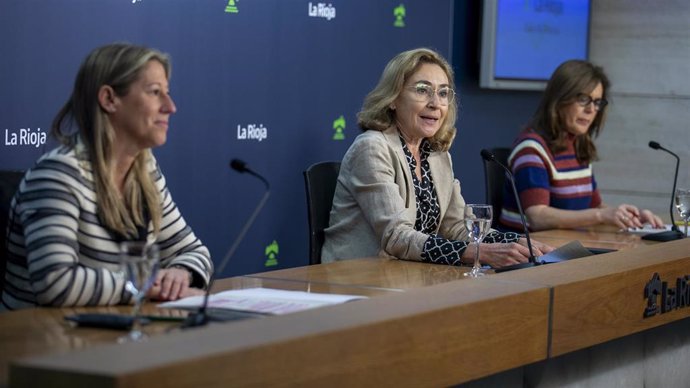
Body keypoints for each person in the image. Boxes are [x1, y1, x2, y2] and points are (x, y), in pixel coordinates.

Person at [1, 43, 213, 311]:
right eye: (155, 93)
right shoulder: (58, 174)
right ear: (109, 99)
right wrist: (145, 285)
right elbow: (56, 283)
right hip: (43, 344)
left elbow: (193, 252)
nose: (170, 107)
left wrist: (180, 274)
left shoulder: (145, 170)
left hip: (110, 336)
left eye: (167, 93)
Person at [321, 48, 552, 268]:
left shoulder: (437, 155)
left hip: (408, 275)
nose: (435, 103)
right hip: (357, 278)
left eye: (443, 93)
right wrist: (478, 253)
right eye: (422, 90)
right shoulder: (372, 148)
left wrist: (517, 243)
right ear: (393, 98)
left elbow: (458, 227)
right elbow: (396, 237)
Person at [498, 60, 664, 232]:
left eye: (597, 102)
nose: (591, 109)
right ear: (559, 100)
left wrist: (631, 218)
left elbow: (595, 207)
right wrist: (601, 216)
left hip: (566, 248)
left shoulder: (577, 145)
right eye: (583, 99)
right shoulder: (531, 149)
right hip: (530, 252)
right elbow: (538, 217)